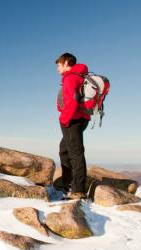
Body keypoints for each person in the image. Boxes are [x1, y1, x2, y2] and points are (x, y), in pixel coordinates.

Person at [55, 52, 91, 199]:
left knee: (76, 153)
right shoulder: (80, 76)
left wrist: (64, 119)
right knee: (64, 151)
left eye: (59, 65)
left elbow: (73, 101)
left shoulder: (71, 78)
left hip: (72, 120)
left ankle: (78, 190)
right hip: (81, 119)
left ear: (66, 63)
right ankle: (67, 182)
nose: (57, 68)